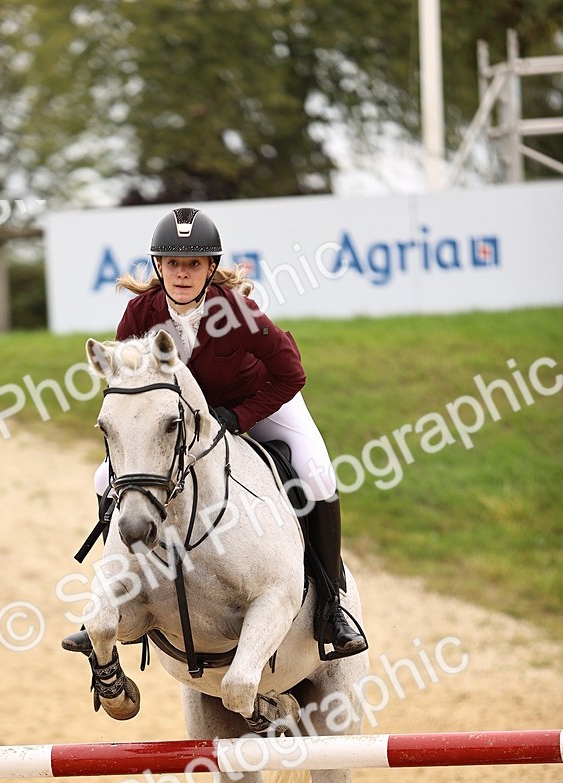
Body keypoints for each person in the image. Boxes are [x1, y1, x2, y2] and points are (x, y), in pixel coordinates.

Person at [63, 206, 367, 660]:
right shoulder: (139, 314)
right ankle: (117, 595)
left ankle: (331, 607)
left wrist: (240, 417)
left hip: (257, 402)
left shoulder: (237, 312)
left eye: (193, 264)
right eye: (172, 264)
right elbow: (128, 388)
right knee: (104, 479)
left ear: (209, 269)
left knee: (316, 471)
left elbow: (291, 375)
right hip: (180, 423)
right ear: (158, 267)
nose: (182, 274)